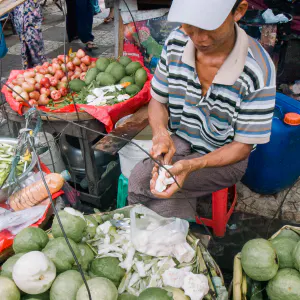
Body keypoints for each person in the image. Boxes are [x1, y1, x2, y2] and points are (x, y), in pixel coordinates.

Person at [128, 0, 276, 219]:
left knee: (160, 195)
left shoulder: (258, 70)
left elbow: (242, 147)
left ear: (239, 11)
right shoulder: (176, 42)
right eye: (190, 26)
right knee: (139, 179)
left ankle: (159, 229)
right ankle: (154, 231)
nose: (199, 38)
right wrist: (160, 134)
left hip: (226, 156)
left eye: (210, 27)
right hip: (182, 137)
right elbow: (158, 101)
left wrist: (193, 165)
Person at [11, 0, 46, 69]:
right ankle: (28, 70)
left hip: (31, 16)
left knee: (35, 45)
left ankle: (41, 69)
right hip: (19, 14)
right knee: (25, 46)